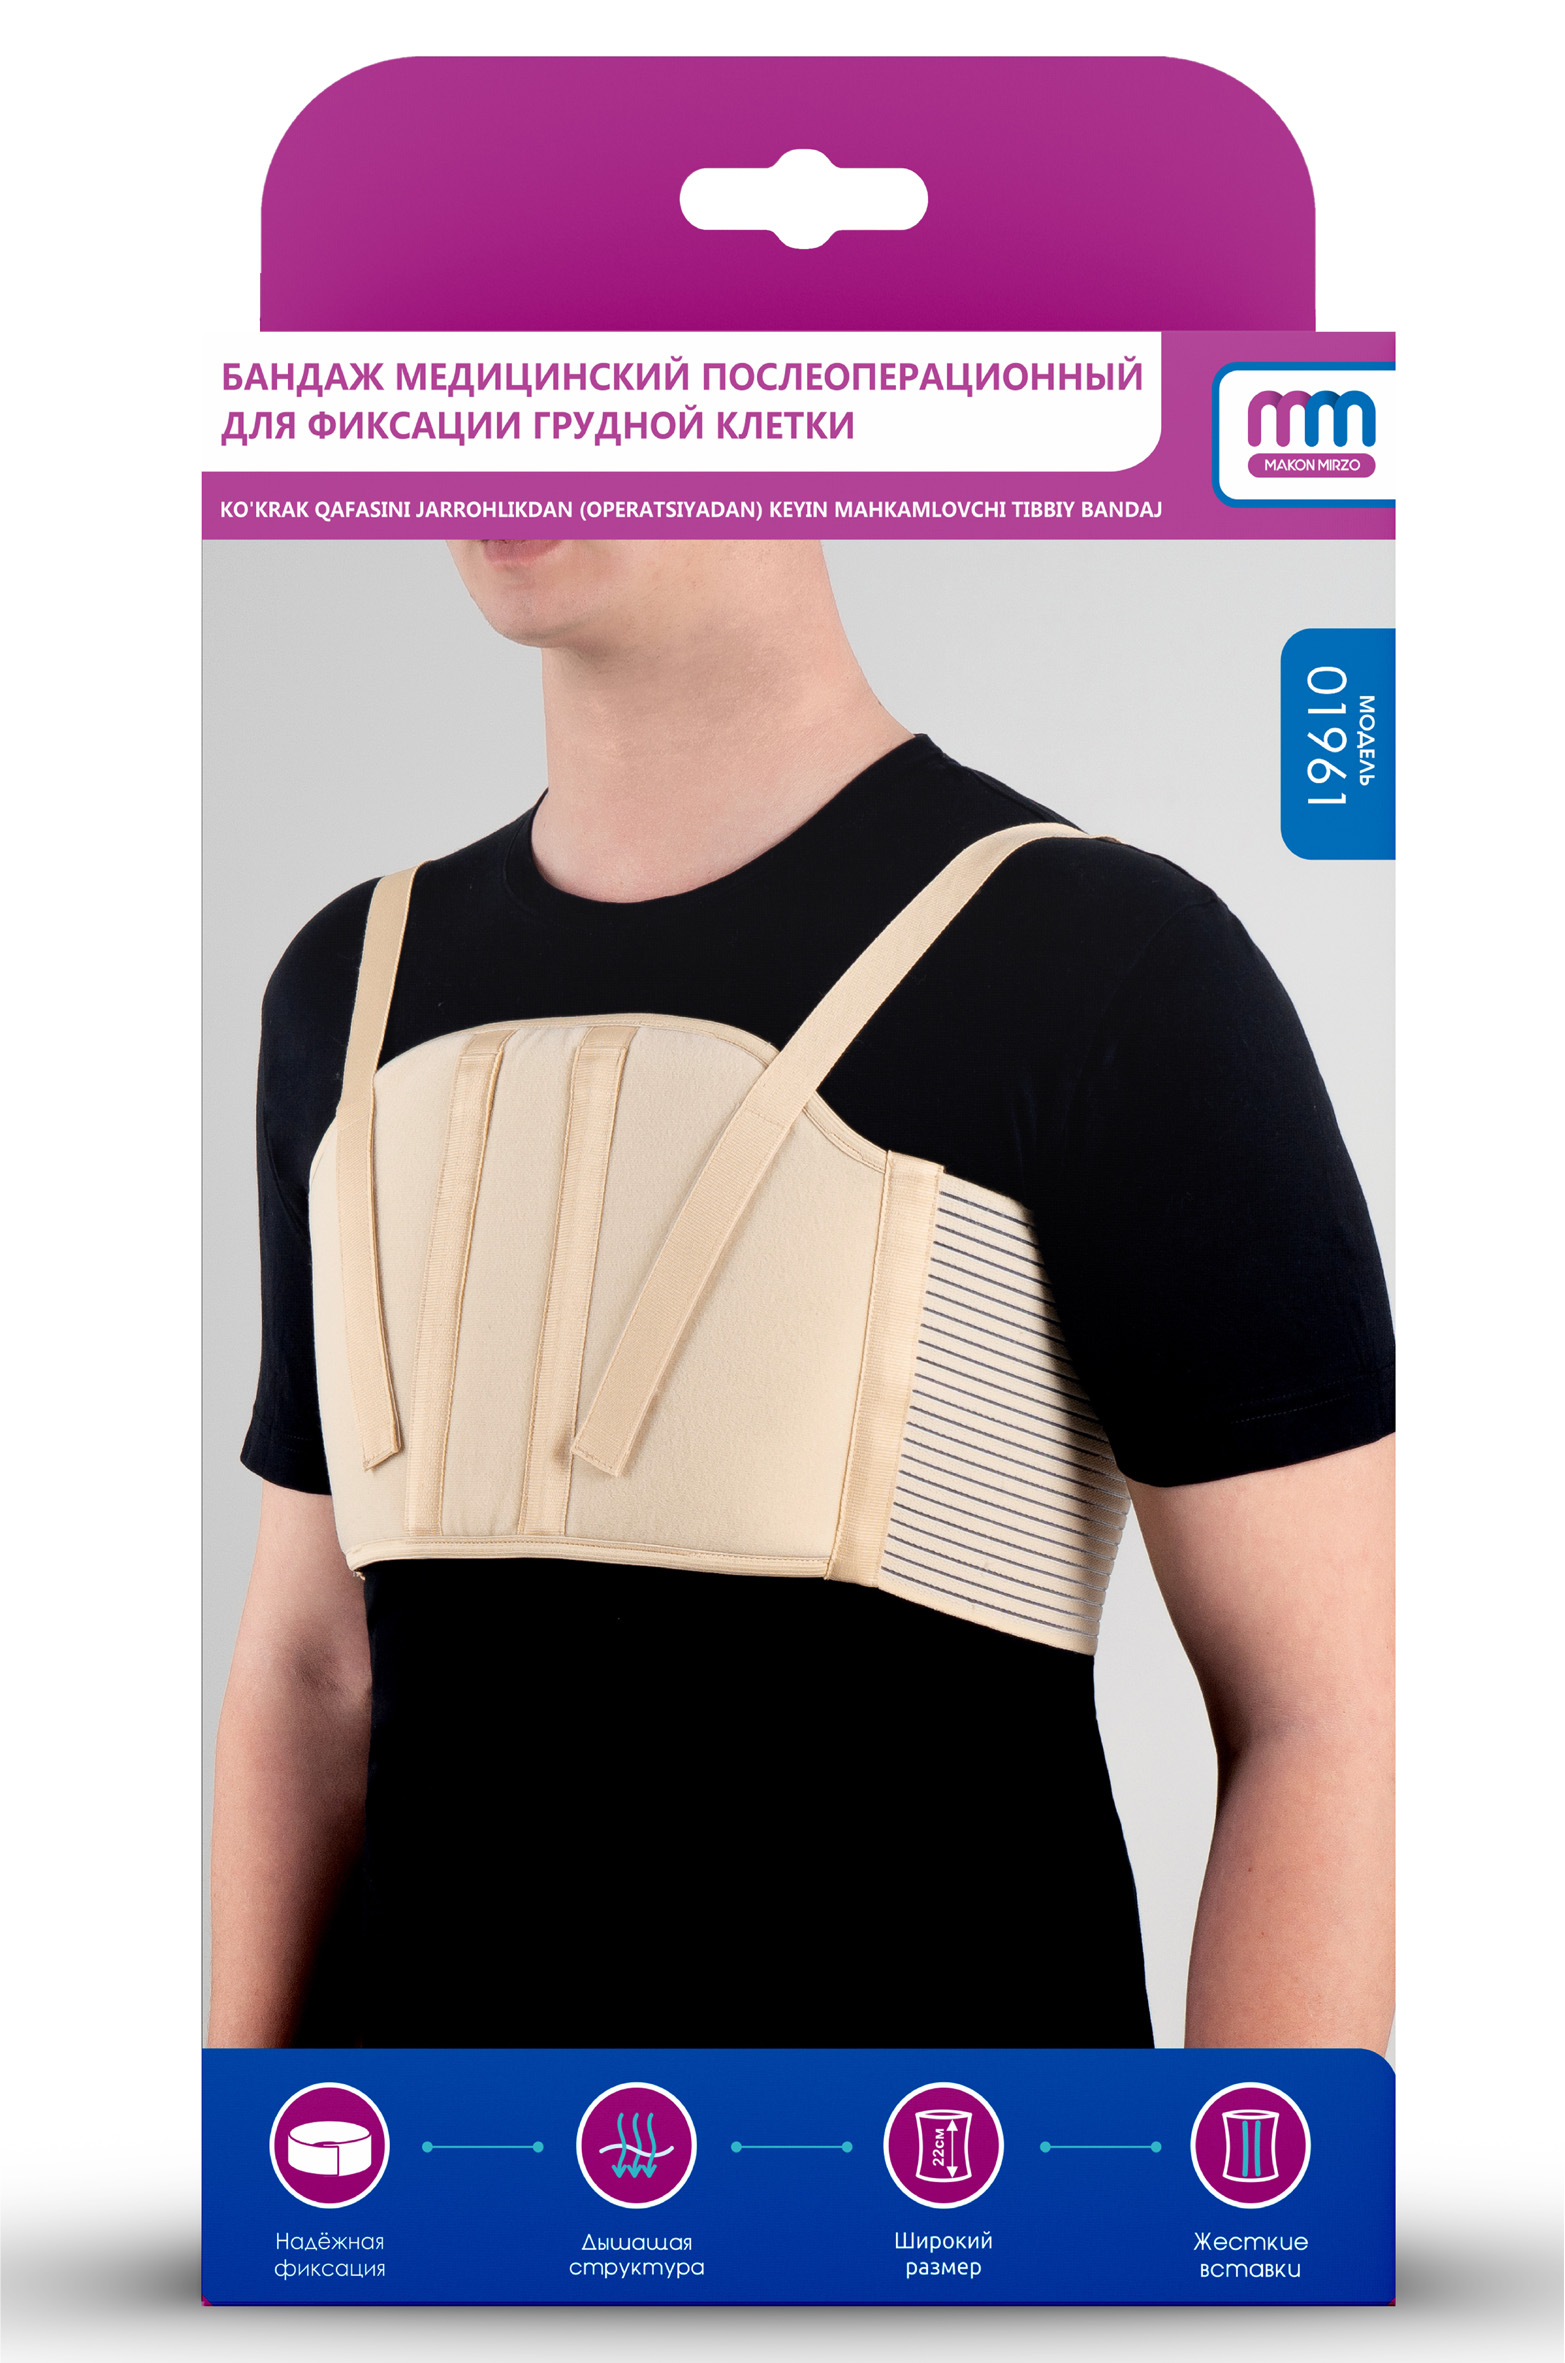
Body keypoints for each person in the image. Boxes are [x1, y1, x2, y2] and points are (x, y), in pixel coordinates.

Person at [209, 538, 1394, 2051]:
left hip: (942, 2179)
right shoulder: (346, 992)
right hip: (436, 2181)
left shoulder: (1104, 964)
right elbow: (314, 1669)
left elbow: (1329, 1713)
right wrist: (246, 2156)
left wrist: (1245, 2192)